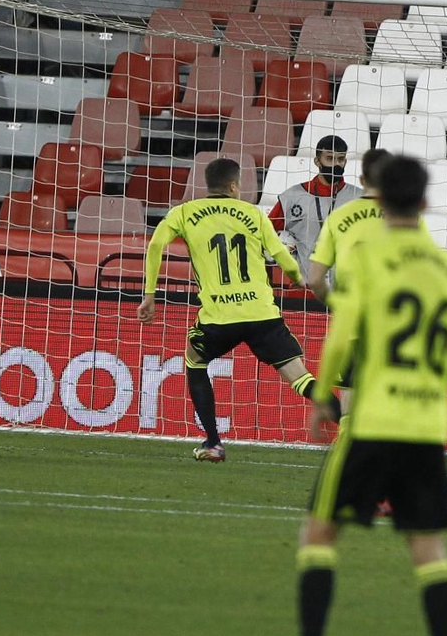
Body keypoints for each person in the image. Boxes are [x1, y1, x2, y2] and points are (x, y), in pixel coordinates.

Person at [251, 154, 447, 636]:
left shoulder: (369, 259)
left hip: (372, 419)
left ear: (372, 195)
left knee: (321, 531)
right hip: (424, 425)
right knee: (427, 546)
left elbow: (342, 336)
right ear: (423, 203)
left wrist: (323, 397)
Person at [138, 157, 318, 463]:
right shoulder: (253, 213)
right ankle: (348, 423)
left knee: (195, 362)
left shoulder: (184, 212)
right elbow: (278, 253)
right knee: (300, 377)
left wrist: (149, 295)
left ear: (208, 184)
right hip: (261, 314)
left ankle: (213, 442)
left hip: (219, 317)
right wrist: (297, 277)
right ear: (234, 185)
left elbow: (155, 246)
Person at [306, 147, 389, 304]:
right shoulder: (407, 218)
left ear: (363, 180)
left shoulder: (337, 217)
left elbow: (315, 279)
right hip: (389, 309)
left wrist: (336, 304)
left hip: (350, 309)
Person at [270, 134, 362, 266]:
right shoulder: (292, 197)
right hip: (304, 283)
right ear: (317, 161)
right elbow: (266, 232)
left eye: (340, 159)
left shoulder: (358, 198)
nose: (336, 164)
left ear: (345, 161)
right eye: (330, 158)